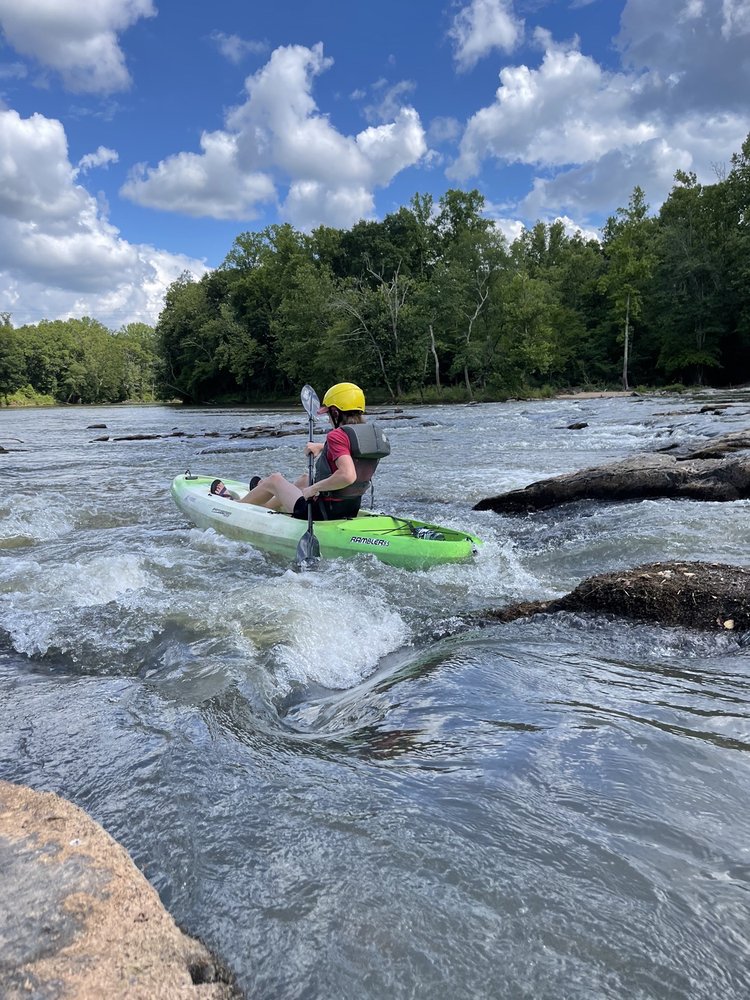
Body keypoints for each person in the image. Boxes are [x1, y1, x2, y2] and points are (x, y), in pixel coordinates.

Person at [238, 382, 390, 520]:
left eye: (328, 413)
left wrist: (314, 488)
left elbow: (347, 475)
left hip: (319, 512)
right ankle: (264, 509)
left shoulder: (337, 435)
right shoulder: (368, 435)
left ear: (336, 413)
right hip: (350, 508)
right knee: (305, 479)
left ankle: (234, 508)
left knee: (274, 480)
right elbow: (351, 452)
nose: (328, 419)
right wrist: (322, 446)